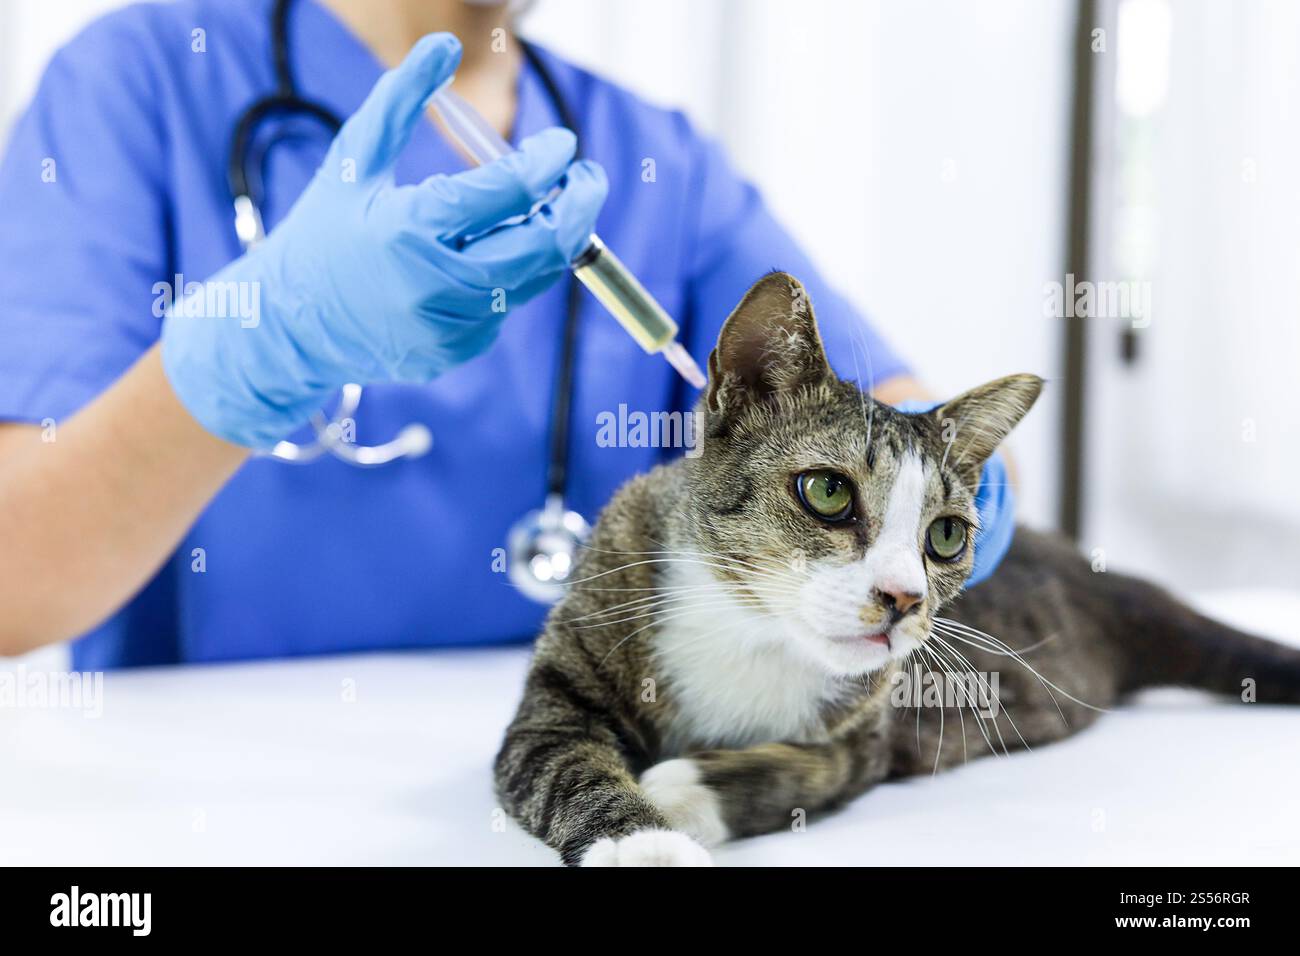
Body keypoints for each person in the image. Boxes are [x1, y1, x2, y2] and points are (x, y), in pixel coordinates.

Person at [0, 0, 1012, 668]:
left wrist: (959, 487)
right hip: (192, 816)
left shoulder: (654, 158)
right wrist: (262, 345)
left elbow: (898, 426)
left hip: (551, 791)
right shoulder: (139, 81)